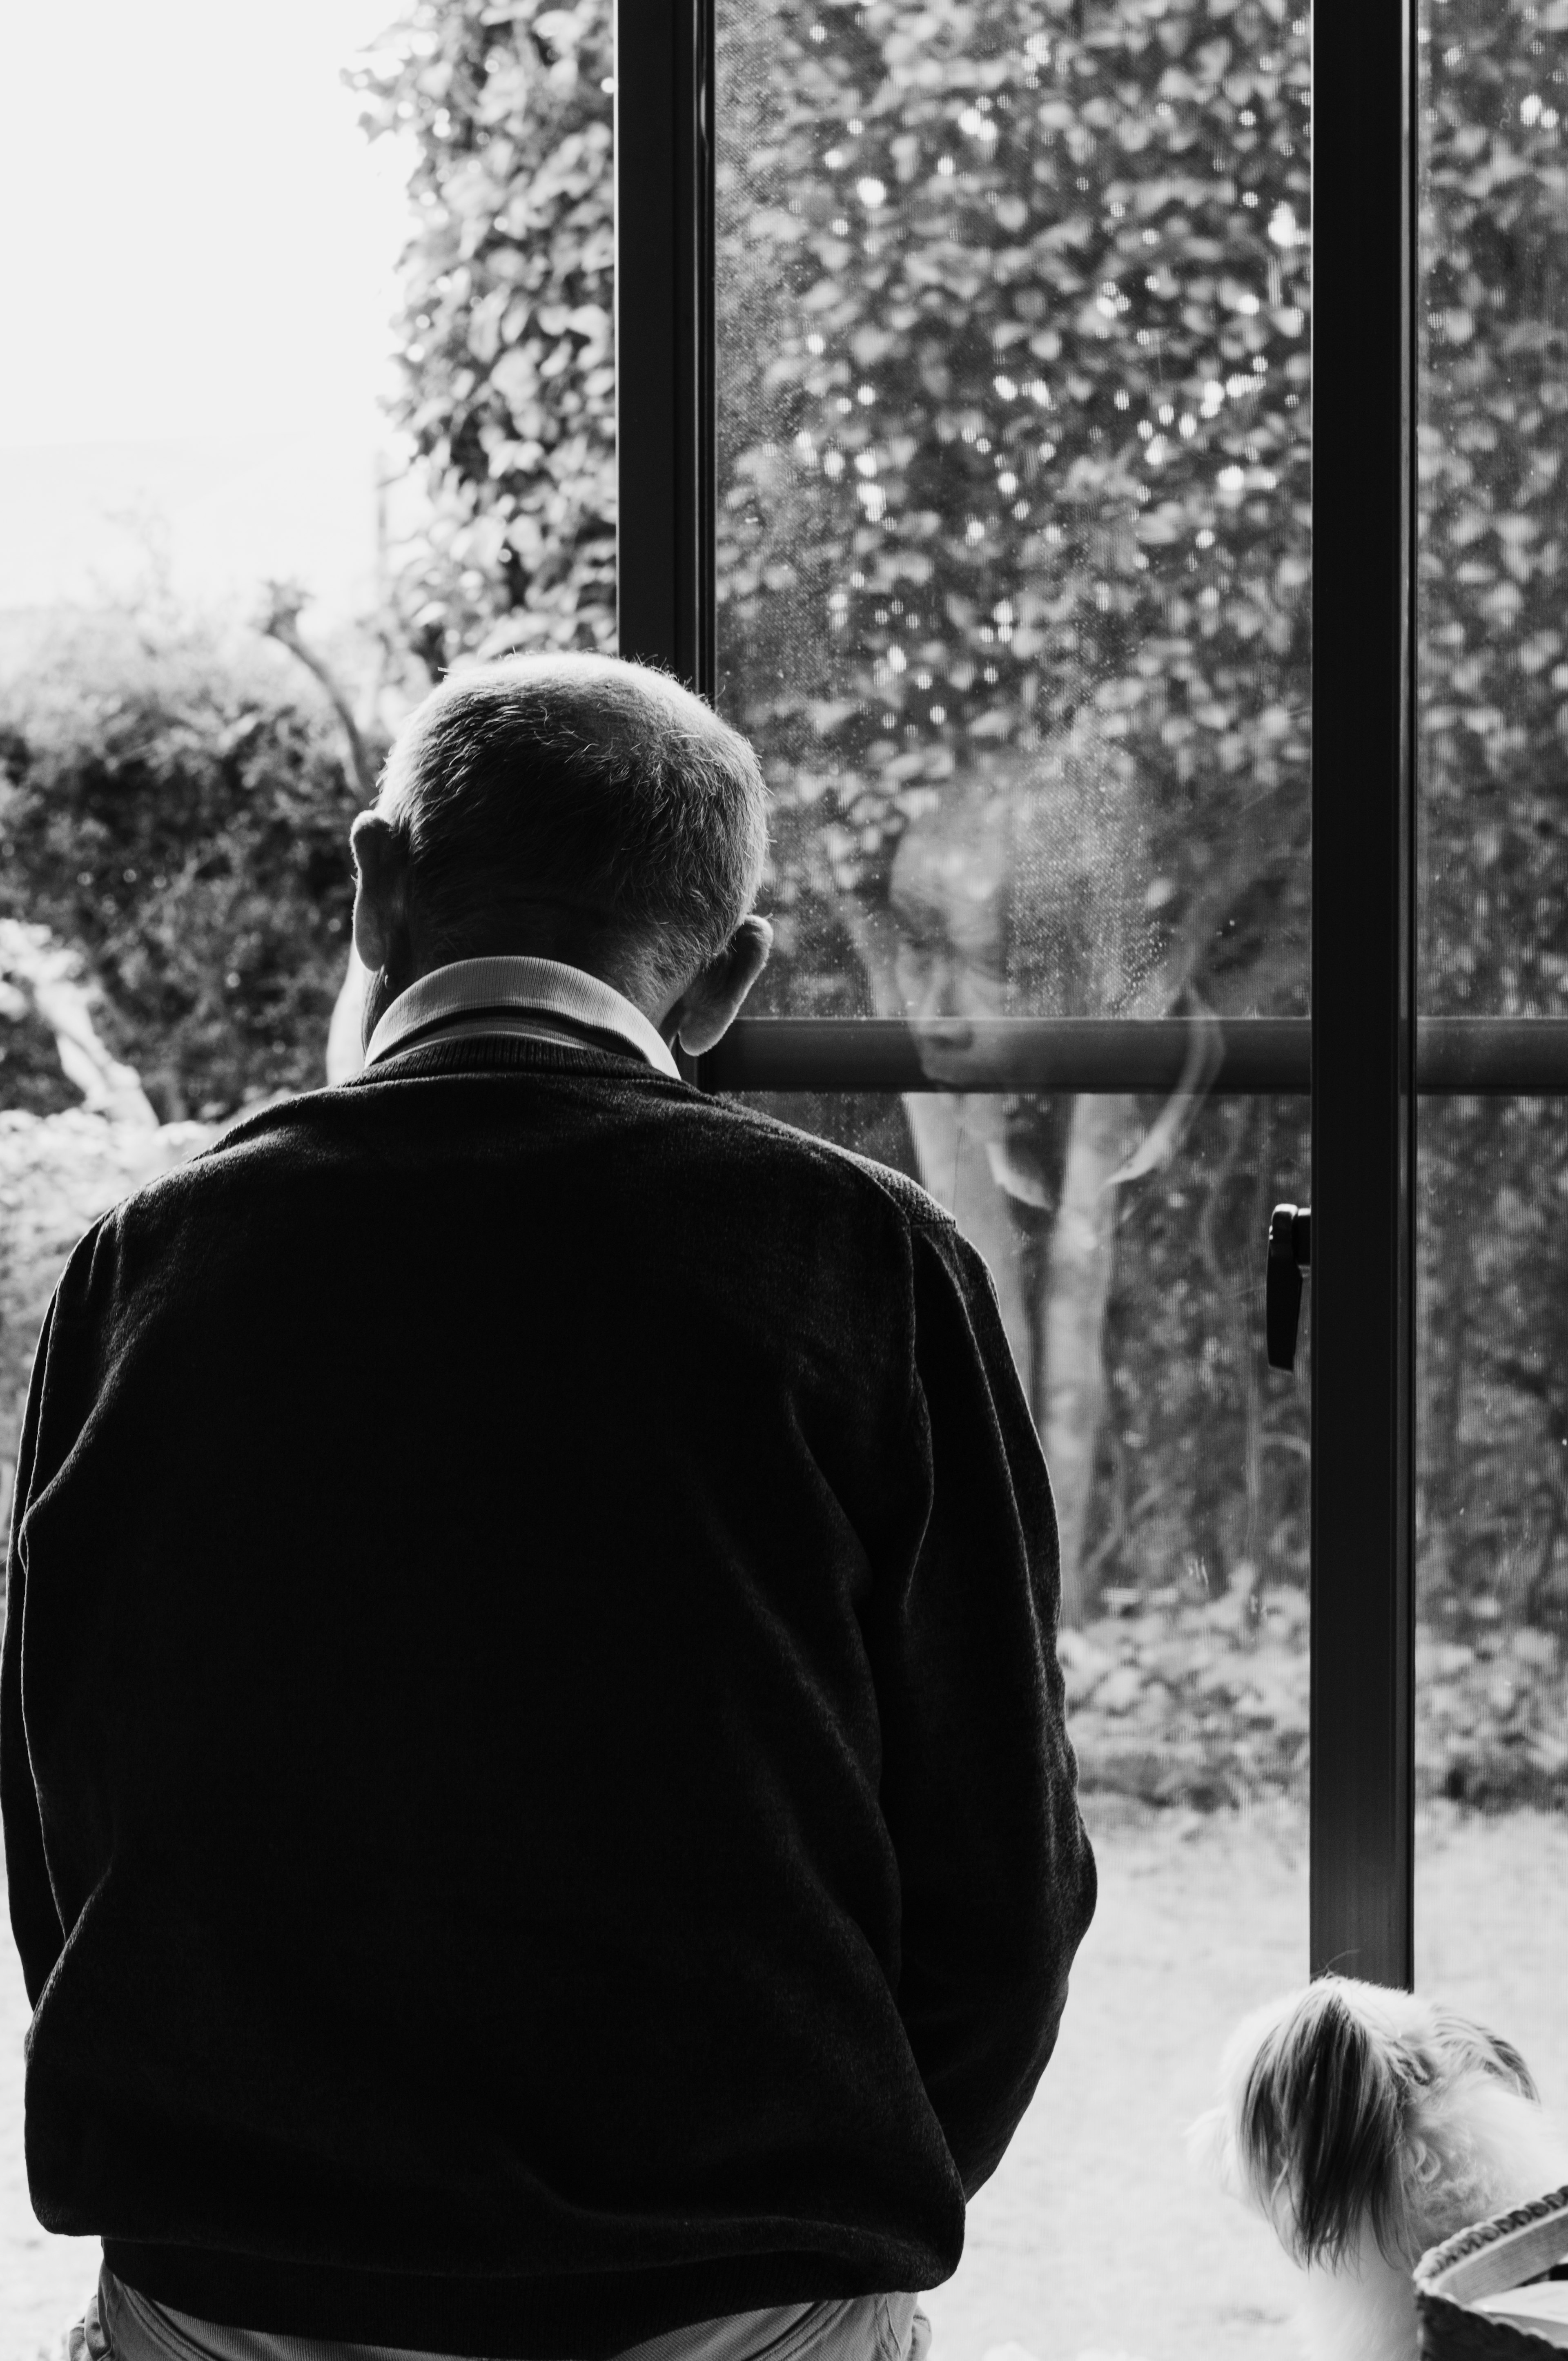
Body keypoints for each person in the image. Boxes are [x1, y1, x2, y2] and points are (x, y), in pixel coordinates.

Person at [2, 654, 1097, 2361]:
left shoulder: (153, 1268)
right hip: (733, 2299)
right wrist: (814, 2207)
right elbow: (1003, 1865)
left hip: (232, 2289)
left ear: (378, 888)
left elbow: (58, 1802)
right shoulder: (861, 1263)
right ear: (725, 981)